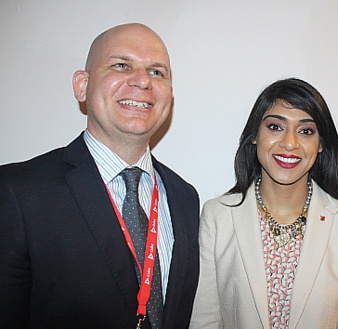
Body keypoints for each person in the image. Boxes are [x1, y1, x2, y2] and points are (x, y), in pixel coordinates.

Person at [0, 23, 200, 329]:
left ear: (170, 96)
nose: (143, 81)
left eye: (157, 72)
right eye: (122, 65)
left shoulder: (185, 197)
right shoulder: (18, 193)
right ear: (82, 85)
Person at [190, 78, 338, 328]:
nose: (289, 143)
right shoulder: (218, 216)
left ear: (321, 144)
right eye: (275, 127)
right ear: (255, 136)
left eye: (306, 131)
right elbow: (204, 320)